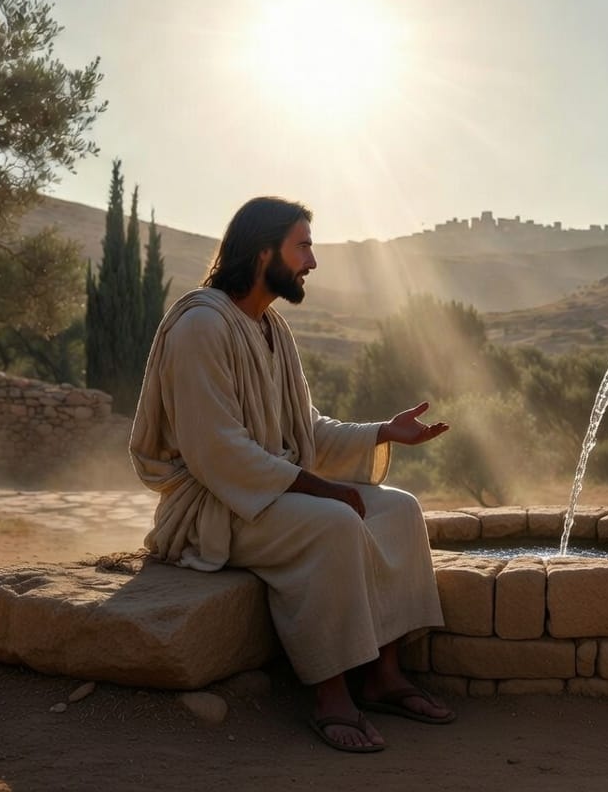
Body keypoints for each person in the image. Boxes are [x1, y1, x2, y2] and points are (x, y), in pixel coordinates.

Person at [129, 197, 454, 753]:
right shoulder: (201, 326)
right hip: (215, 505)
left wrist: (383, 431)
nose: (312, 261)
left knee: (399, 508)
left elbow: (305, 430)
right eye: (302, 247)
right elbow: (217, 453)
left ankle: (384, 675)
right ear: (264, 253)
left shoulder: (272, 329)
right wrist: (325, 489)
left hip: (267, 492)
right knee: (334, 522)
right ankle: (331, 694)